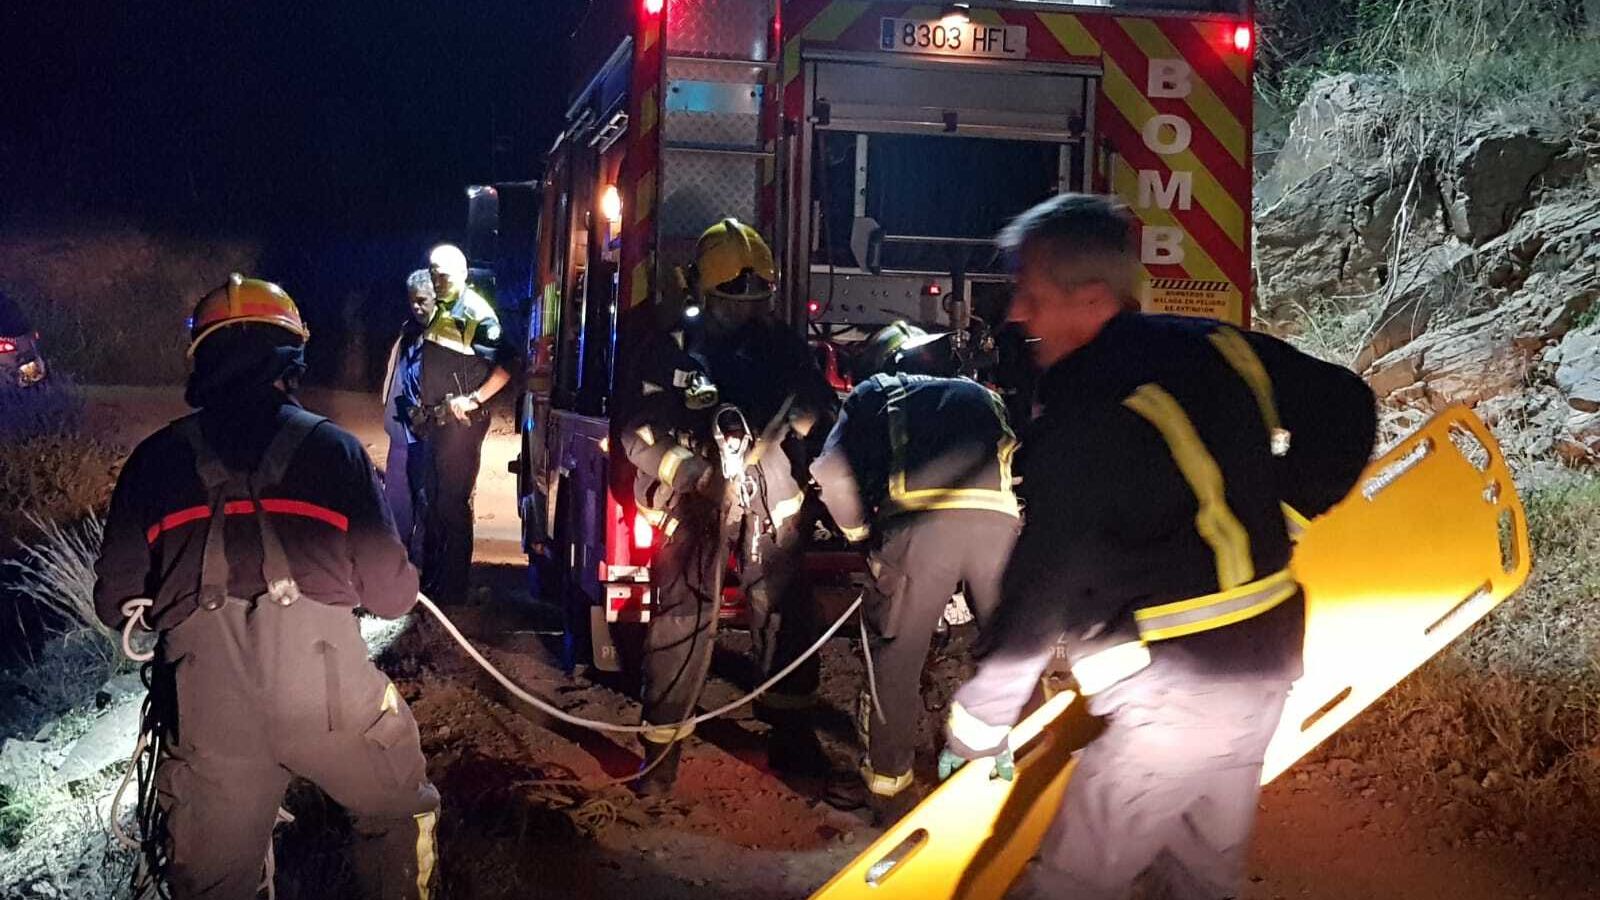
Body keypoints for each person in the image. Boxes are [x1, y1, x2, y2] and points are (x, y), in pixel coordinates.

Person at [939, 195, 1377, 899]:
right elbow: (1346, 402)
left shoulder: (1087, 410)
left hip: (1177, 693)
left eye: (1032, 296)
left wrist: (983, 714)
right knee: (1202, 877)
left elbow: (1046, 572)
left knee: (1072, 882)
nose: (1018, 315)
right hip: (1264, 661)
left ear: (1091, 300)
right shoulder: (1217, 344)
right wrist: (1289, 507)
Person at [93, 274, 439, 899]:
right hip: (331, 703)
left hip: (210, 713)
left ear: (203, 362)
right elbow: (392, 597)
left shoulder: (154, 460)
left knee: (214, 877)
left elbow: (115, 602)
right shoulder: (336, 453)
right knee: (398, 808)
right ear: (291, 359)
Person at [615, 218, 839, 795]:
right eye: (728, 301)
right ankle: (659, 760)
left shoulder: (782, 345)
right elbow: (636, 433)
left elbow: (818, 405)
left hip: (772, 500)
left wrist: (804, 418)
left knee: (786, 611)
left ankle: (792, 737)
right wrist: (691, 473)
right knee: (684, 617)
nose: (743, 311)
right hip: (695, 500)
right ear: (698, 291)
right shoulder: (669, 349)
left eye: (755, 299)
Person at [809, 320, 1020, 824]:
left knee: (897, 664)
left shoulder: (874, 392)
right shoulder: (981, 395)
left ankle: (888, 792)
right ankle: (997, 780)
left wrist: (860, 537)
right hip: (1001, 532)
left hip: (920, 536)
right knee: (1004, 653)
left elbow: (831, 475)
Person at [416, 243, 513, 602]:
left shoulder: (475, 312)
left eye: (443, 275)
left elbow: (507, 366)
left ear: (462, 275)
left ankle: (454, 590)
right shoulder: (440, 308)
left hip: (462, 424)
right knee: (433, 500)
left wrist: (472, 400)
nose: (437, 280)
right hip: (438, 422)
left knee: (451, 505)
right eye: (433, 273)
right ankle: (435, 581)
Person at [380, 269, 437, 564]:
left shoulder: (443, 337)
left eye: (422, 300)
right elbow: (398, 380)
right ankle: (398, 564)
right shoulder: (409, 332)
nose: (416, 306)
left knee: (424, 503)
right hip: (401, 431)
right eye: (412, 300)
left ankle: (419, 565)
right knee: (397, 503)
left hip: (425, 436)